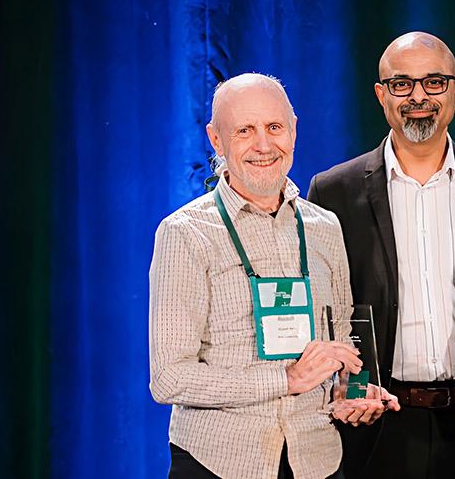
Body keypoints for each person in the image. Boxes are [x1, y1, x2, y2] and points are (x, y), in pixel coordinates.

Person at [149, 73, 398, 479]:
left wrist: (348, 393)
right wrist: (285, 379)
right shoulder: (185, 234)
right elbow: (168, 378)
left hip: (315, 459)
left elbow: (341, 347)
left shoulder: (324, 227)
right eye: (244, 130)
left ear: (294, 130)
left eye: (274, 127)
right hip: (220, 463)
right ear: (216, 140)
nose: (263, 145)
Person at [307, 32, 455, 478]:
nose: (418, 96)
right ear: (382, 95)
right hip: (378, 422)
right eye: (401, 84)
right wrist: (344, 386)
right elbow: (323, 309)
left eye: (434, 82)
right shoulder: (333, 192)